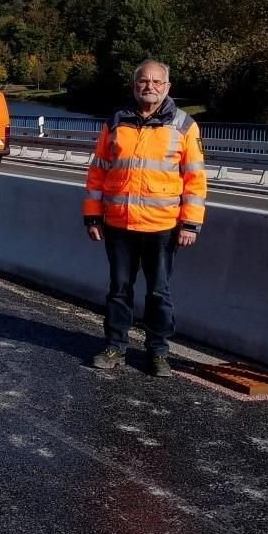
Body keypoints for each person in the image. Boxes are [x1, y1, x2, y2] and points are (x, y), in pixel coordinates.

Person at [84, 59, 207, 377]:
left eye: (156, 82)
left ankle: (158, 352)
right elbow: (98, 171)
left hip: (162, 227)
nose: (149, 86)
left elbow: (195, 178)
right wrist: (92, 215)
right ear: (133, 85)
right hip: (119, 224)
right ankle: (115, 346)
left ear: (167, 87)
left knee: (158, 292)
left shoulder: (183, 125)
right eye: (143, 81)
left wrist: (191, 222)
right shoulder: (116, 122)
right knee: (119, 289)